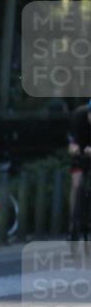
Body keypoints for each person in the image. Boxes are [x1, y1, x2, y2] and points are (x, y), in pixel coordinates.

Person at [66, 99, 91, 242]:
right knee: (76, 184)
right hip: (81, 153)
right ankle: (73, 223)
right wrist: (73, 148)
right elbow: (71, 143)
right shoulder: (78, 117)